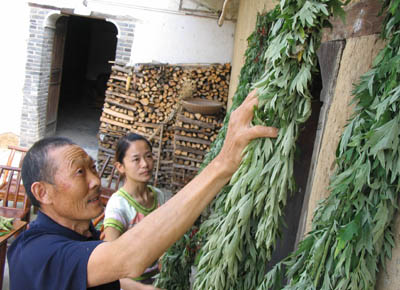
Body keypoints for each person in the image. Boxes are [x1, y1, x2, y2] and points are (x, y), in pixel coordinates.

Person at [7, 89, 278, 290]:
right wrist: (223, 163)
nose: (95, 181)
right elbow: (128, 257)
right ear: (42, 193)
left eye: (92, 168)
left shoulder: (82, 233)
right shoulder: (35, 253)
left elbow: (110, 278)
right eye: (79, 172)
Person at [103, 133, 166, 284]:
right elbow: (110, 264)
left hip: (158, 278)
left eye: (148, 156)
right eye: (136, 159)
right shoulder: (118, 205)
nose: (145, 164)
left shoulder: (158, 196)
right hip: (132, 284)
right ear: (120, 167)